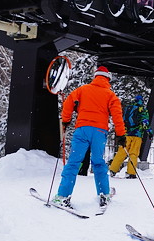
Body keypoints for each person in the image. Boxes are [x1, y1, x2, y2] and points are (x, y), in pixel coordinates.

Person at [54, 66, 126, 208]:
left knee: (74, 162)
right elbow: (117, 115)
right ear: (108, 79)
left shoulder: (82, 90)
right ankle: (104, 194)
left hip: (82, 129)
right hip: (99, 132)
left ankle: (62, 195)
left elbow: (68, 102)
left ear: (95, 77)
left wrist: (66, 120)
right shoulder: (110, 95)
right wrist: (121, 134)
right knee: (98, 162)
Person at [108, 95, 153, 178]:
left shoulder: (127, 109)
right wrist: (149, 132)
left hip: (126, 134)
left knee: (121, 152)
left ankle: (113, 170)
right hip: (137, 135)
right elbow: (144, 122)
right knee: (133, 154)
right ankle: (131, 173)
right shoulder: (142, 109)